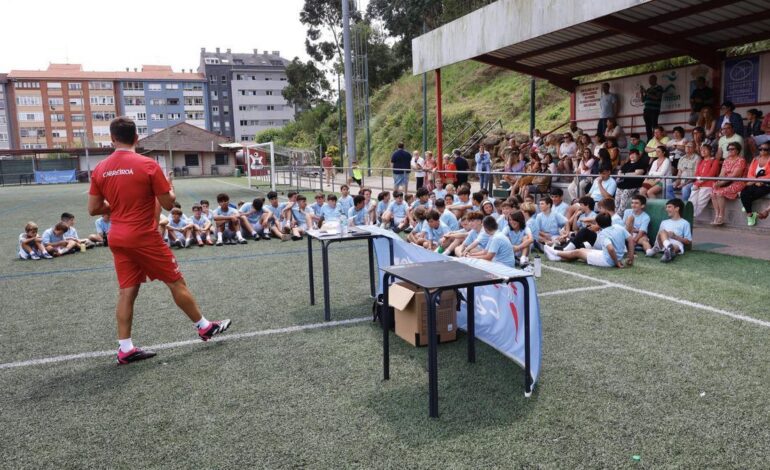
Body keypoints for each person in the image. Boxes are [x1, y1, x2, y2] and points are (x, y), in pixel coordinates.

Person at [87, 116, 231, 364]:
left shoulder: (100, 168)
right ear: (136, 138)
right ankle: (204, 326)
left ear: (112, 139)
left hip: (117, 237)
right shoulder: (148, 165)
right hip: (143, 235)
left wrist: (119, 205)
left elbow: (93, 208)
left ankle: (125, 348)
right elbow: (167, 203)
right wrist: (170, 188)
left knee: (127, 292)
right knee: (176, 282)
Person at [544, 213, 633, 268]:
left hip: (608, 261)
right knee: (581, 250)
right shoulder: (619, 227)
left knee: (578, 252)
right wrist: (630, 257)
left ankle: (555, 253)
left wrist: (616, 262)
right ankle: (557, 257)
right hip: (609, 257)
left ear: (598, 224)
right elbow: (630, 240)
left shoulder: (603, 234)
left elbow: (610, 249)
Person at [710, 142, 747, 226]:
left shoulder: (741, 160)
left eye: (732, 149)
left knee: (719, 193)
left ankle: (721, 216)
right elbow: (721, 174)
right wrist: (718, 182)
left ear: (737, 150)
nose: (730, 151)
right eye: (728, 149)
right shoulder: (726, 160)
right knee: (712, 193)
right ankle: (717, 214)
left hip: (738, 182)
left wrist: (720, 183)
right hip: (726, 182)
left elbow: (734, 176)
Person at [645, 198, 692, 263]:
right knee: (663, 232)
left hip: (676, 243)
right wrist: (665, 235)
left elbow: (688, 241)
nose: (666, 209)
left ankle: (668, 252)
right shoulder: (664, 222)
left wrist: (675, 236)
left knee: (674, 247)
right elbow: (658, 236)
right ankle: (662, 248)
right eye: (666, 207)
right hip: (661, 243)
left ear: (677, 209)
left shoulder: (685, 223)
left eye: (669, 207)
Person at [740, 143, 770, 226]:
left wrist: (760, 180)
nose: (762, 151)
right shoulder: (755, 159)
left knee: (755, 192)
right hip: (754, 182)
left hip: (766, 183)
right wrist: (756, 181)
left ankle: (746, 205)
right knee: (744, 192)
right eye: (760, 149)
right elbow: (750, 174)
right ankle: (750, 214)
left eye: (765, 149)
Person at [688, 144, 721, 217]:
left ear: (710, 151)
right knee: (691, 201)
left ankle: (691, 217)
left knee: (700, 203)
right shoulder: (701, 161)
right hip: (698, 184)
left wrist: (700, 182)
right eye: (701, 150)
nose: (703, 151)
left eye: (705, 149)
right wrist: (698, 182)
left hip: (708, 184)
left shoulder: (714, 161)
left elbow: (711, 174)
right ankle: (689, 216)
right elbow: (697, 174)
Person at [641, 74, 664, 141]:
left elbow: (657, 97)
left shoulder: (659, 88)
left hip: (654, 110)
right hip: (646, 110)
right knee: (647, 126)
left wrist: (646, 93)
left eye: (651, 79)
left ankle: (656, 139)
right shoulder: (648, 89)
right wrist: (642, 93)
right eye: (649, 79)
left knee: (654, 125)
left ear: (655, 80)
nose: (649, 81)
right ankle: (649, 140)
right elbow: (643, 100)